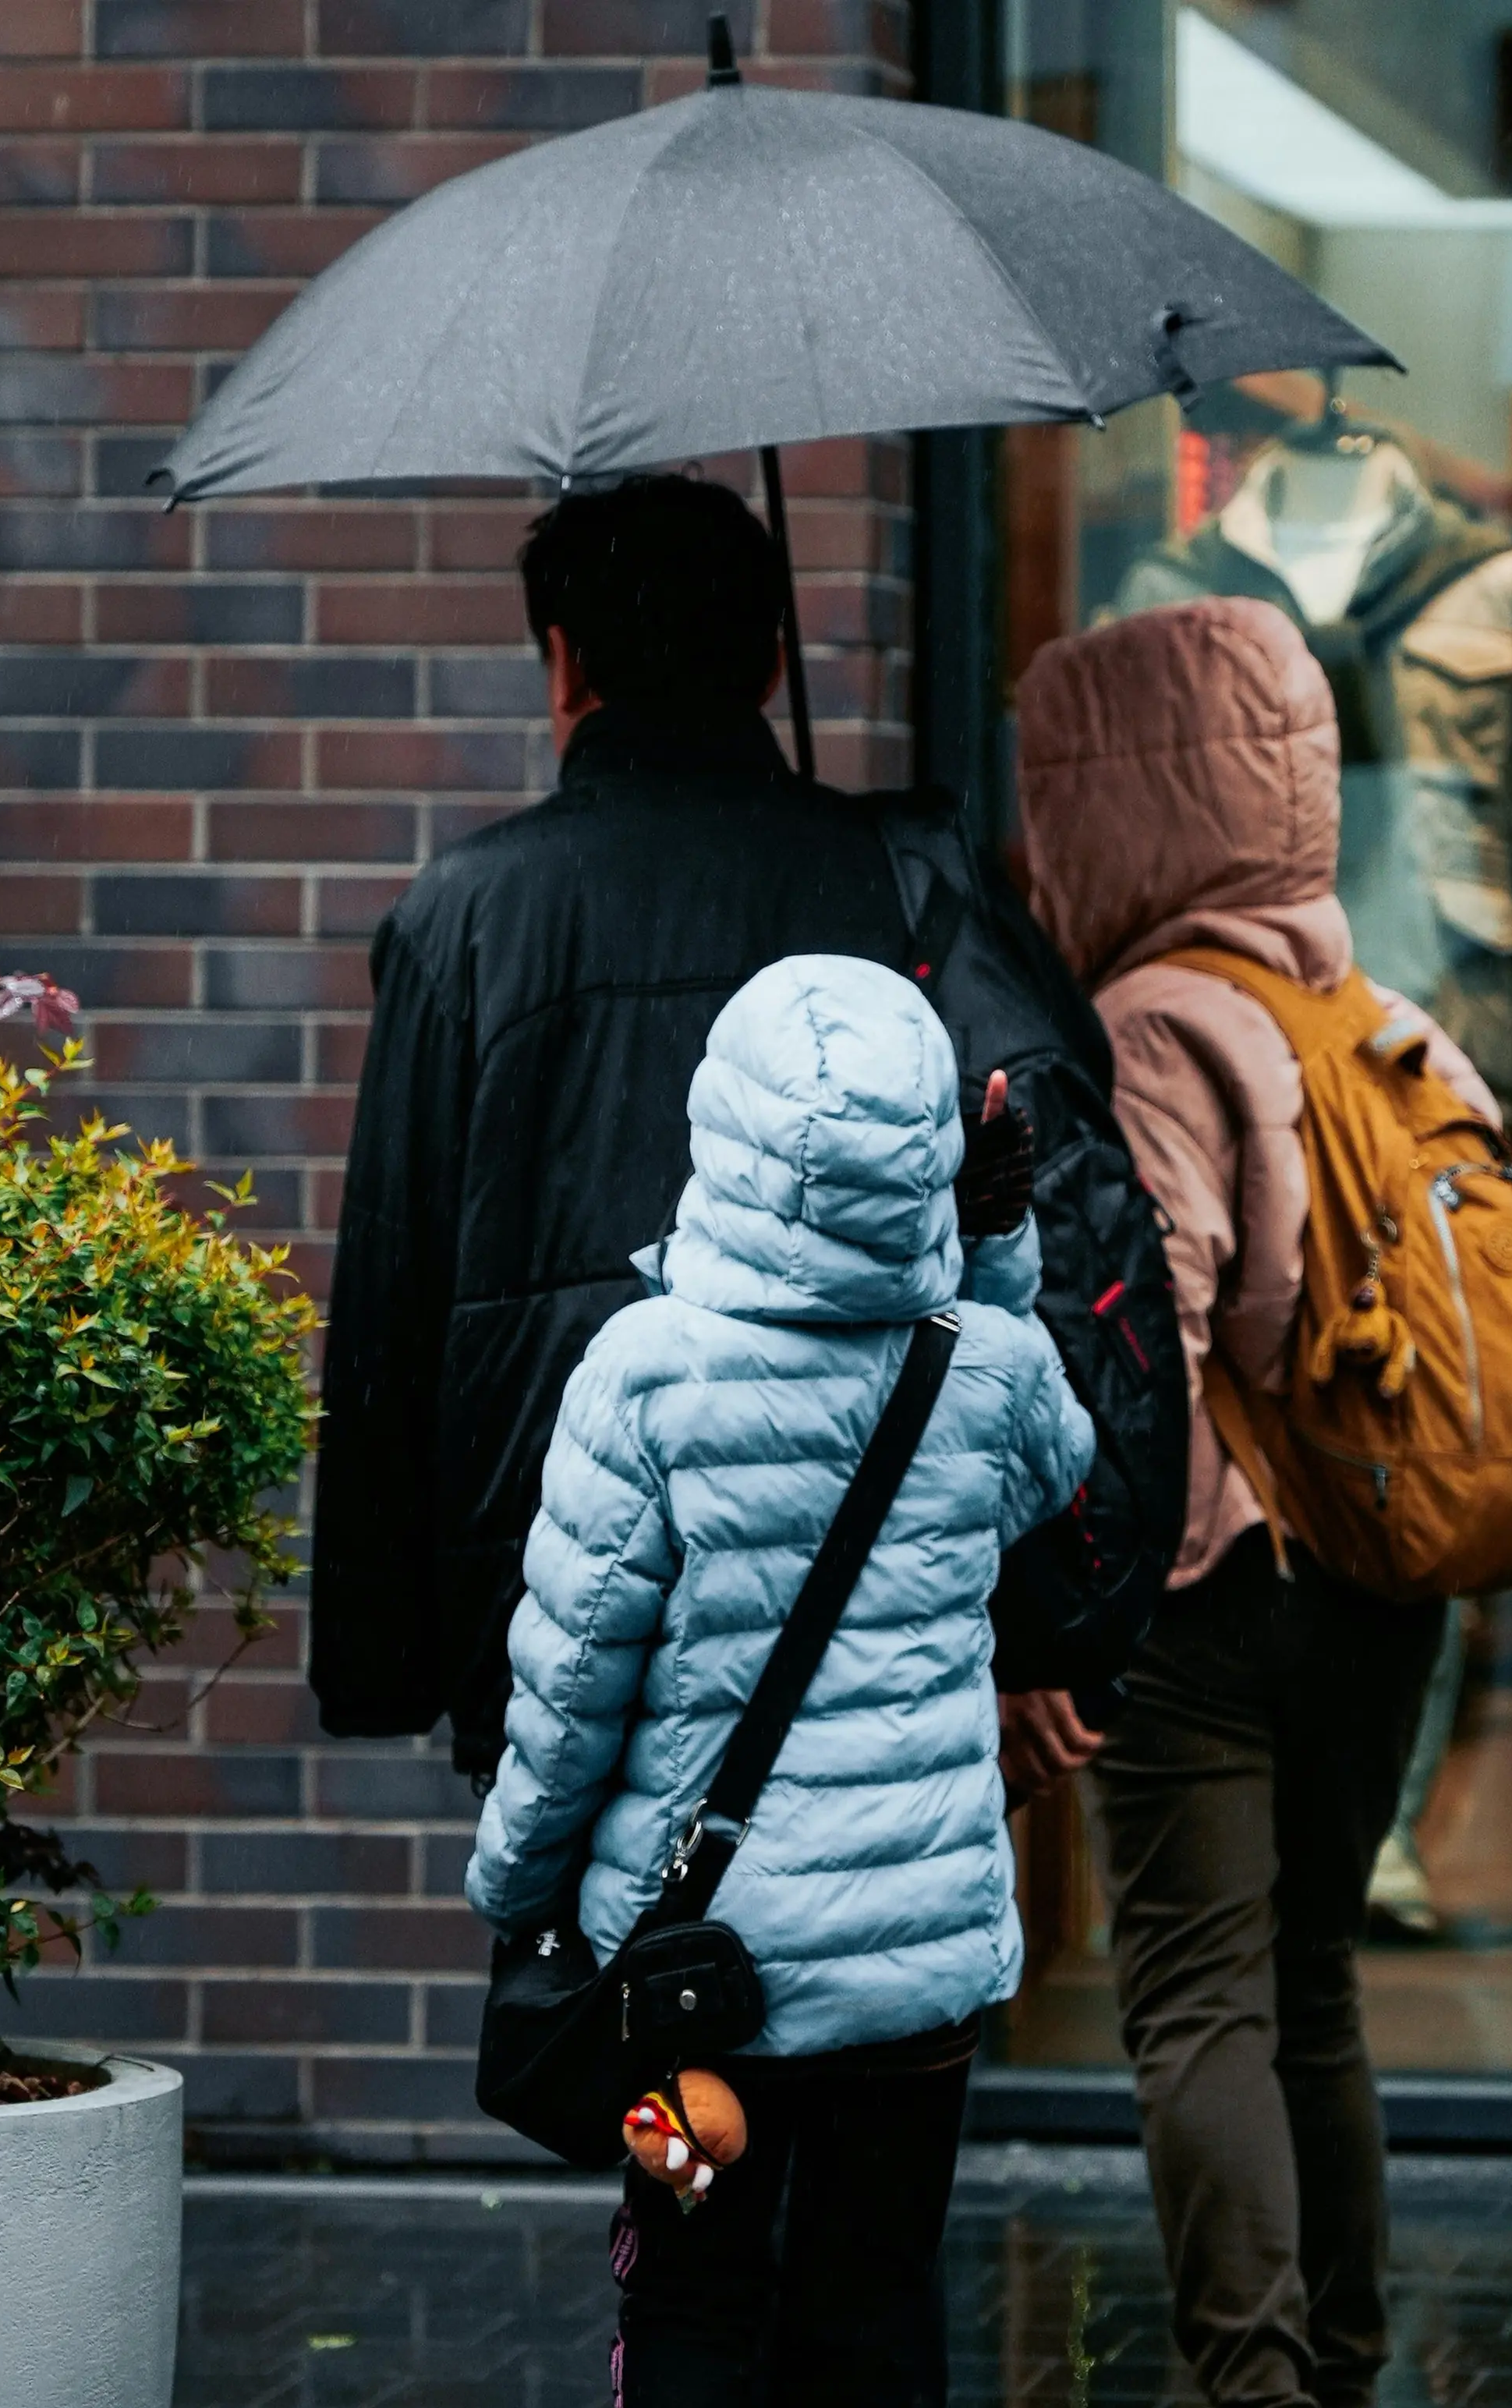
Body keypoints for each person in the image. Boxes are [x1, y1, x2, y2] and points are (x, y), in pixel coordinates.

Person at [465, 952, 1093, 2408]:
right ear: (925, 1159)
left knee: (696, 2283)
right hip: (907, 1982)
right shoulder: (981, 1371)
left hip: (700, 1991)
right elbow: (1058, 1475)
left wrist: (520, 1890)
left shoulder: (645, 1375)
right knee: (864, 2322)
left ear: (721, 1139)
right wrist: (987, 1247)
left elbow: (571, 1683)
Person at [312, 471, 1177, 1811]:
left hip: (558, 1595)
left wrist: (382, 1664)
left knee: (583, 1982)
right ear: (774, 660)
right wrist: (1052, 1609)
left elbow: (391, 1307)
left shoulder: (464, 917)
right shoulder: (906, 882)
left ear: (563, 662)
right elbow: (1035, 1204)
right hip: (863, 1581)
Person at [1014, 597, 1492, 2408]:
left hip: (1214, 1578)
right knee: (1310, 1983)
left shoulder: (1155, 1027)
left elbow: (1160, 1330)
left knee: (1195, 1996)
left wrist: (1084, 1611)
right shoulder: (1373, 1012)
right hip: (1385, 1578)